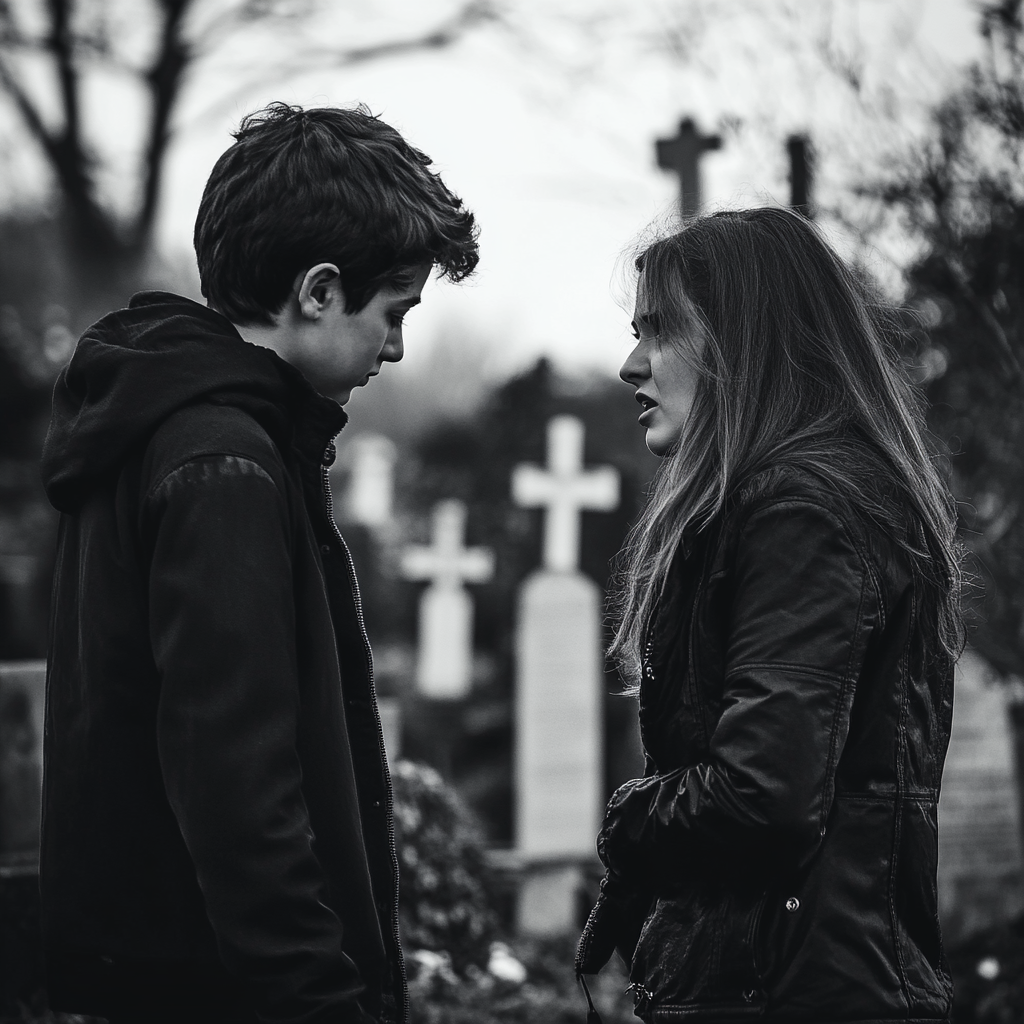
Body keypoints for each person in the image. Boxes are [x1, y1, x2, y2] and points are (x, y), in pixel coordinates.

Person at [39, 103, 478, 1024]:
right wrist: (323, 999)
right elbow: (238, 789)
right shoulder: (221, 465)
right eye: (394, 312)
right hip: (226, 991)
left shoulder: (170, 427)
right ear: (319, 291)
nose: (395, 348)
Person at [575, 207, 962, 1024]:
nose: (630, 364)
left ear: (744, 342)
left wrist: (629, 819)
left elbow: (761, 795)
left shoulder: (800, 514)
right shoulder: (797, 504)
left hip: (789, 993)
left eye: (660, 331)